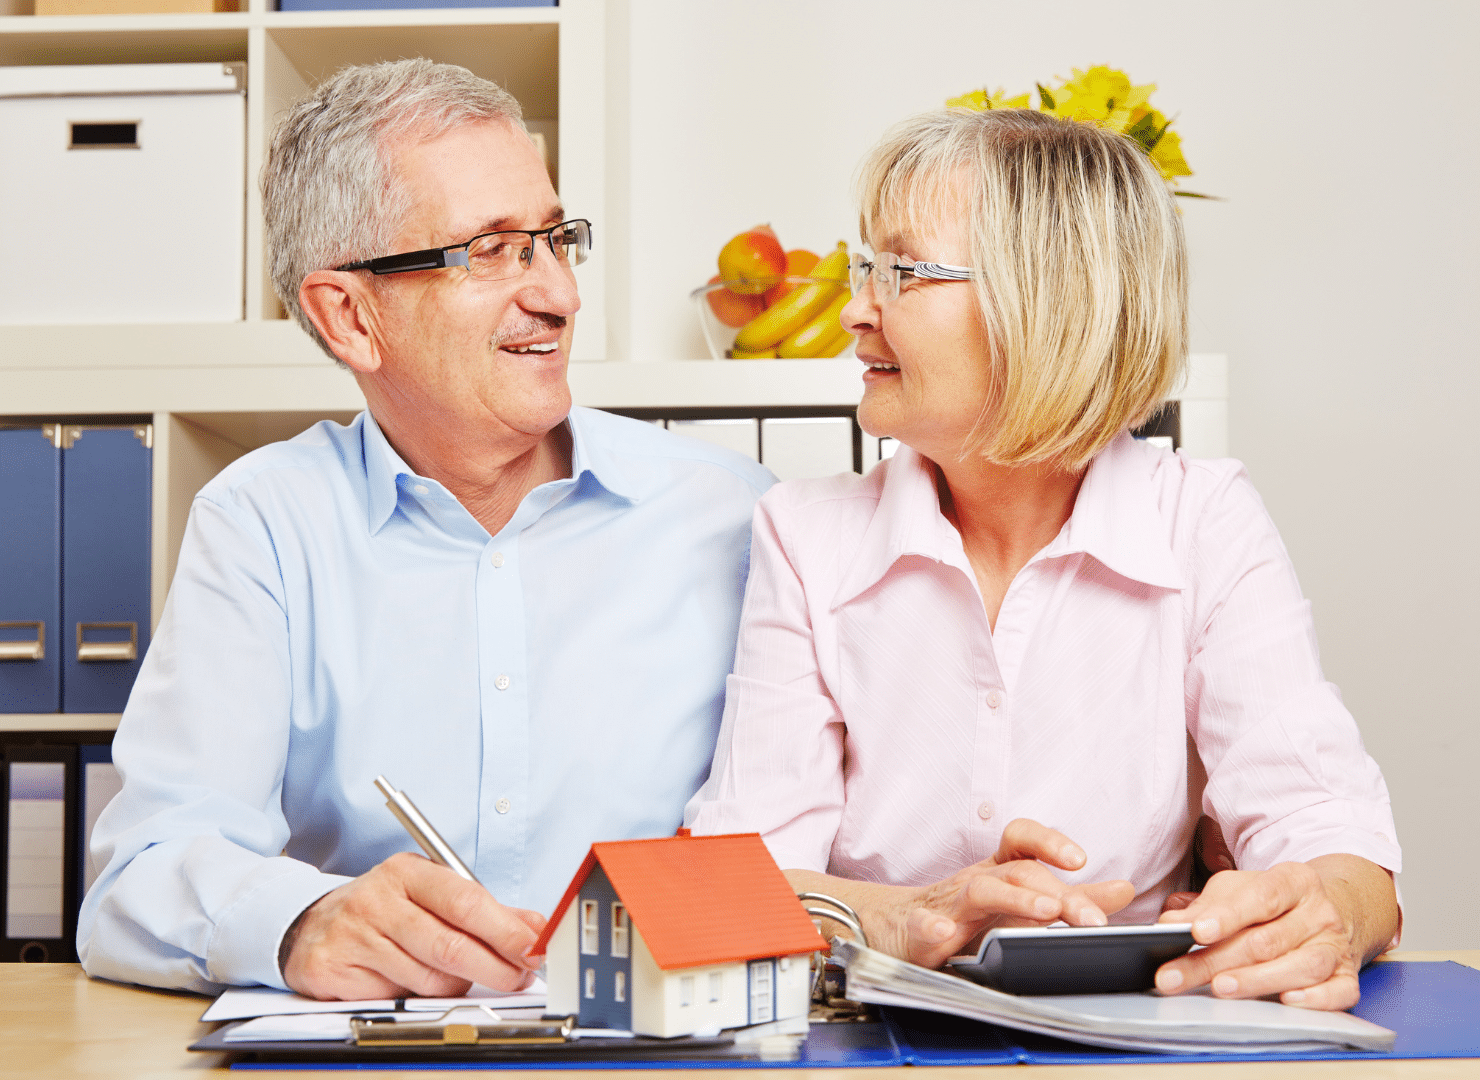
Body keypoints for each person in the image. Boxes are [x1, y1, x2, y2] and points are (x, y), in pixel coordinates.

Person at [77, 60, 773, 999]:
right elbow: (140, 875)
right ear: (351, 317)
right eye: (491, 251)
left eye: (556, 239)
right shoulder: (263, 525)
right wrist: (301, 923)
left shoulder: (733, 514)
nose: (560, 295)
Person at [686, 107, 1401, 1010]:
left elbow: (1337, 838)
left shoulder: (1203, 518)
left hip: (1140, 1039)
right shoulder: (804, 534)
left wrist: (1322, 908)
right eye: (865, 266)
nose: (856, 307)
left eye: (899, 271)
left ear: (1045, 298)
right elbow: (731, 885)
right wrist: (915, 915)